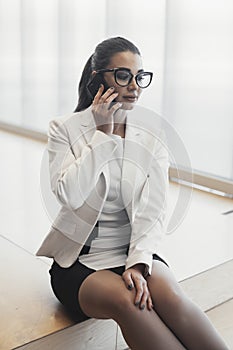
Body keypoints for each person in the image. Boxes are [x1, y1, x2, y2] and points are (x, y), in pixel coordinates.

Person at [37, 37, 229, 350]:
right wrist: (102, 135)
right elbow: (69, 195)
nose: (134, 86)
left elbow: (154, 209)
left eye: (139, 77)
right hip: (80, 261)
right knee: (131, 302)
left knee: (172, 298)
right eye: (123, 75)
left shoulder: (153, 134)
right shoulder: (65, 128)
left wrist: (138, 262)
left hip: (133, 251)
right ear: (98, 77)